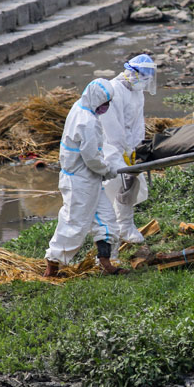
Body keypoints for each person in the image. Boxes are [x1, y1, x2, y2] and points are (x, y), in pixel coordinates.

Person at [43, 78, 125, 276]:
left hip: (89, 179)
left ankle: (105, 263)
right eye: (104, 103)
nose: (106, 107)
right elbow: (91, 158)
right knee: (74, 224)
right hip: (80, 181)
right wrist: (107, 169)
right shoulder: (87, 122)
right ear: (96, 99)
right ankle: (51, 266)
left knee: (106, 219)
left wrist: (102, 169)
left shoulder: (81, 107)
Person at [100, 53, 156, 244]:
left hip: (129, 148)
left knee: (131, 184)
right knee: (116, 185)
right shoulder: (114, 90)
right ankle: (113, 229)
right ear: (132, 73)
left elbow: (138, 122)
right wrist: (123, 149)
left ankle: (125, 226)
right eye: (144, 77)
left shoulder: (137, 92)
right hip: (111, 148)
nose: (145, 83)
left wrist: (136, 147)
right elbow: (111, 125)